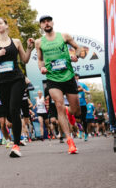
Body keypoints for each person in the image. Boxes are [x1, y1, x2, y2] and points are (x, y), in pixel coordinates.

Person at [0, 18, 34, 158]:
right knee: (9, 115)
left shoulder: (16, 41)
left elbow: (25, 60)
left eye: (1, 23)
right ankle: (15, 130)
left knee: (14, 109)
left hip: (17, 79)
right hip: (2, 82)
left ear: (6, 26)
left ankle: (16, 145)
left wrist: (30, 48)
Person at [35, 14, 83, 154]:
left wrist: (76, 56)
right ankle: (70, 142)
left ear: (52, 22)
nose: (46, 23)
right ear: (41, 26)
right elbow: (40, 60)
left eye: (48, 21)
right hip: (52, 78)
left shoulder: (64, 36)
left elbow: (78, 48)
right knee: (59, 106)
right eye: (43, 22)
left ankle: (70, 112)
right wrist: (41, 68)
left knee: (76, 111)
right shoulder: (39, 42)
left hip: (68, 77)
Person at [75, 74, 90, 140]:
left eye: (76, 76)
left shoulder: (82, 84)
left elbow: (89, 92)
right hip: (75, 105)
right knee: (77, 120)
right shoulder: (71, 85)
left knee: (84, 120)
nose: (75, 77)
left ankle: (86, 133)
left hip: (83, 105)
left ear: (78, 77)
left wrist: (84, 90)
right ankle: (80, 131)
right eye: (74, 76)